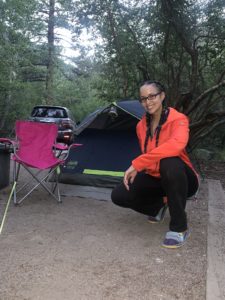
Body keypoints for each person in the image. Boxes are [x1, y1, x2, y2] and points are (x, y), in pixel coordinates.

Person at [111, 80, 199, 249]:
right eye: (143, 99)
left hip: (182, 179)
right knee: (119, 195)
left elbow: (176, 145)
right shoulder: (140, 126)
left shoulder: (178, 119)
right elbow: (148, 153)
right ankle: (159, 206)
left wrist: (137, 164)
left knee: (169, 162)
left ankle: (179, 228)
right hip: (156, 177)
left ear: (162, 96)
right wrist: (141, 168)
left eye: (152, 96)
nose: (147, 102)